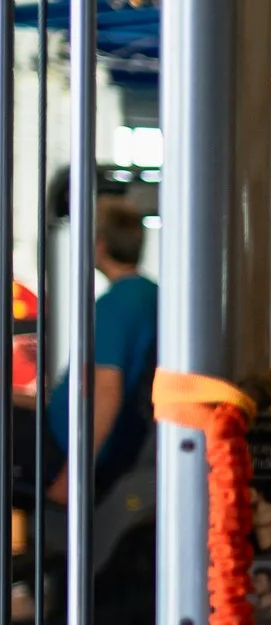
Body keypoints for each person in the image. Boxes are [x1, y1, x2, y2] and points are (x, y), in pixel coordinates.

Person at [9, 197, 158, 508]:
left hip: (62, 450)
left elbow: (106, 391)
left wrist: (73, 478)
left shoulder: (116, 304)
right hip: (63, 432)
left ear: (100, 245)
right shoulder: (148, 294)